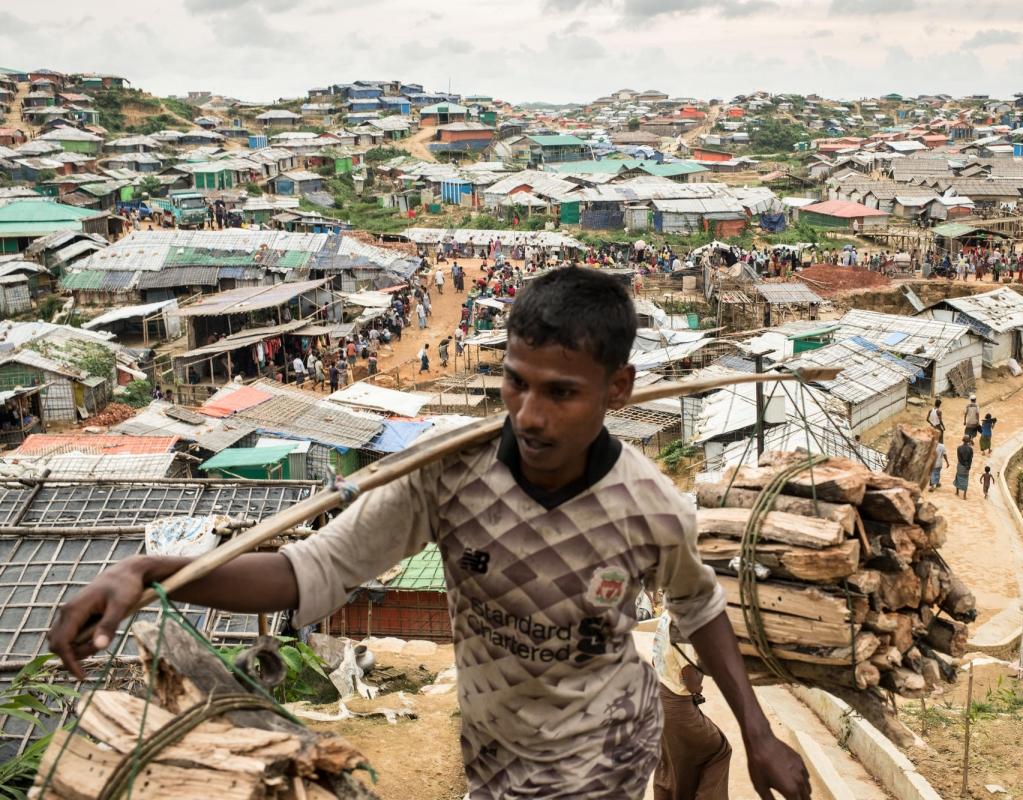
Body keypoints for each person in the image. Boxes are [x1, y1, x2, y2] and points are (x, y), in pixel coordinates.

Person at [47, 268, 811, 800]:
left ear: (620, 390)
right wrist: (151, 572)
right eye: (516, 381)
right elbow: (309, 572)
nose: (530, 415)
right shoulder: (445, 474)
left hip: (605, 754)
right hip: (494, 756)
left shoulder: (652, 506)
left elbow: (700, 606)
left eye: (562, 393)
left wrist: (757, 731)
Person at [652, 612, 732, 800]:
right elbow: (693, 684)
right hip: (677, 707)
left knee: (671, 766)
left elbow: (655, 660)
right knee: (719, 750)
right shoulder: (684, 627)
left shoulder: (666, 616)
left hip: (657, 696)